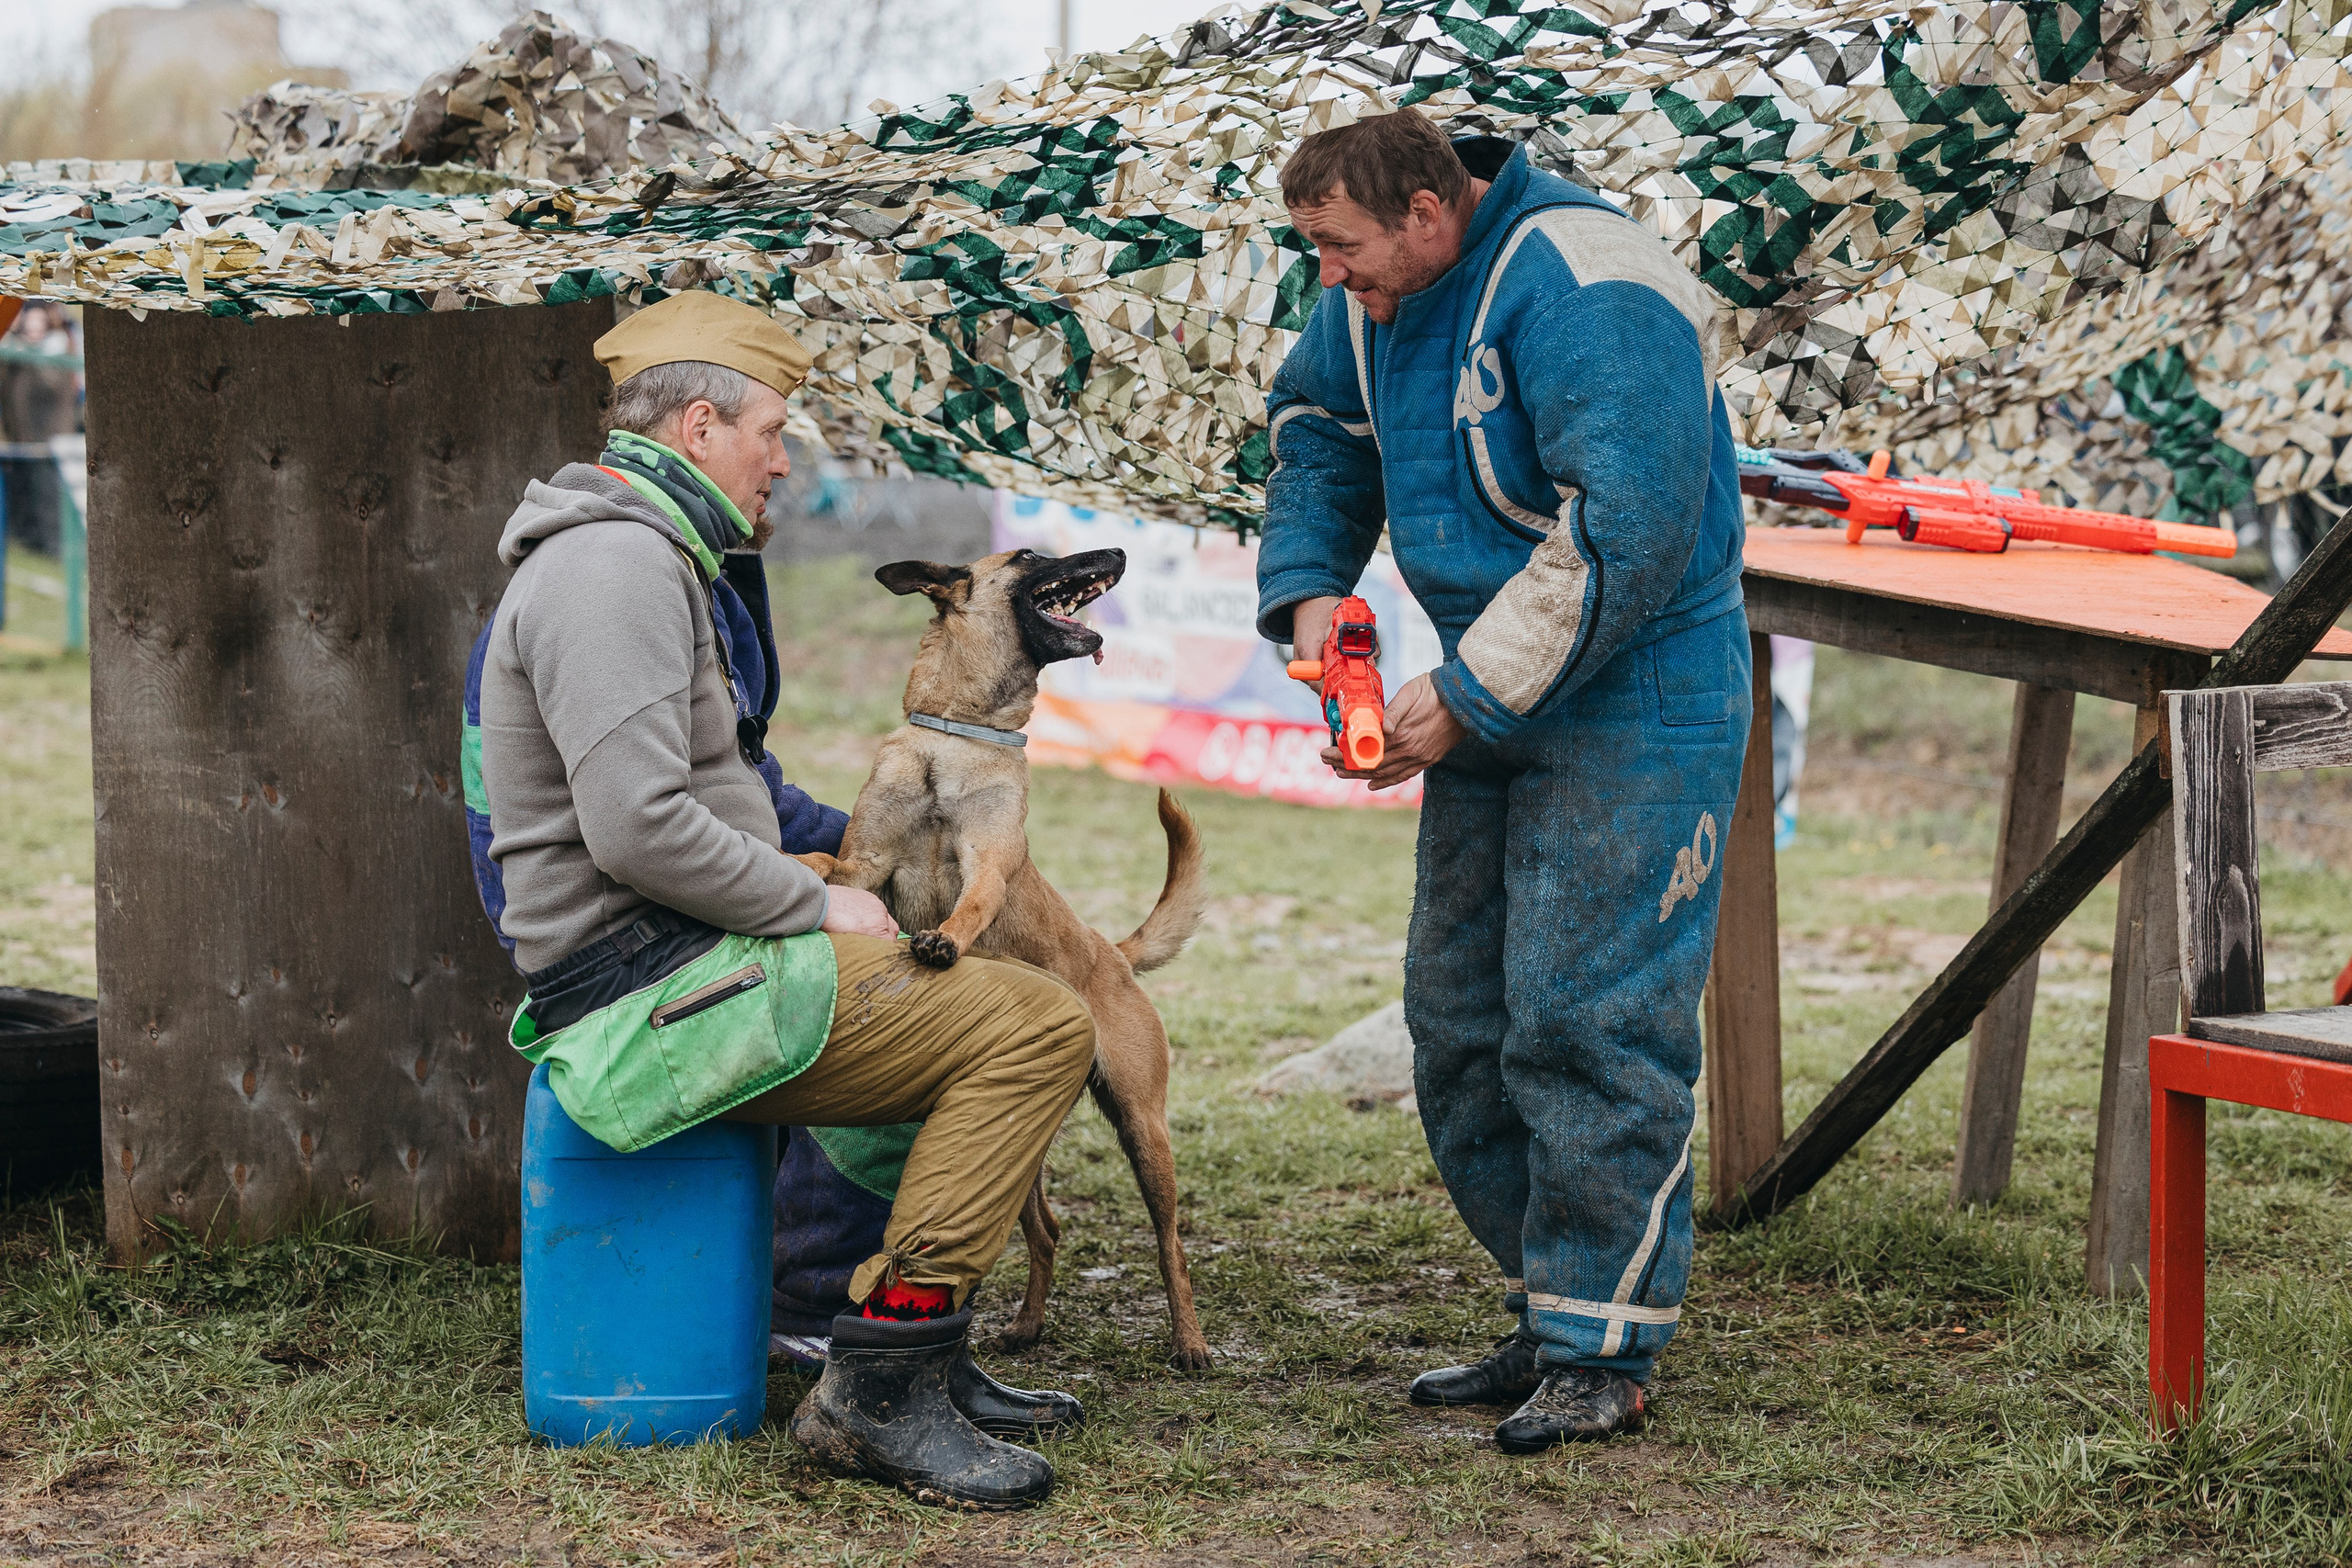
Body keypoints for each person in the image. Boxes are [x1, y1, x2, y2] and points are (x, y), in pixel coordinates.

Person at [473, 289, 1094, 1508]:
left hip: (683, 963)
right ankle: (880, 1383)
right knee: (1036, 1028)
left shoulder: (648, 554)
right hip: (652, 993)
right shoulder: (613, 568)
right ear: (700, 425)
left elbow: (716, 795)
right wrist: (819, 907)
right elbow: (641, 828)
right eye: (773, 428)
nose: (783, 458)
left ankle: (922, 1352)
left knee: (979, 993)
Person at [1255, 109, 1749, 1450]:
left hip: (1639, 687)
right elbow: (1318, 429)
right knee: (1463, 1017)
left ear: (1431, 211)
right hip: (1497, 687)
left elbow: (1629, 527)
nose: (1329, 277)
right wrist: (1308, 594)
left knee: (1591, 1018)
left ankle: (1608, 1345)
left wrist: (1464, 696)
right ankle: (1551, 1307)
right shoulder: (1372, 297)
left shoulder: (1591, 277)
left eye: (1344, 247)